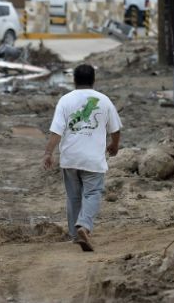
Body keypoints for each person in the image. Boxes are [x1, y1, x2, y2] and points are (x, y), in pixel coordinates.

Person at [42, 64, 122, 252]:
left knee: (73, 197)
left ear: (74, 80)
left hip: (70, 158)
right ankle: (84, 226)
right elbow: (115, 129)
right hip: (93, 159)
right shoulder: (104, 100)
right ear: (94, 80)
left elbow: (56, 131)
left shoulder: (65, 100)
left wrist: (48, 152)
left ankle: (74, 234)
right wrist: (114, 145)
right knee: (92, 193)